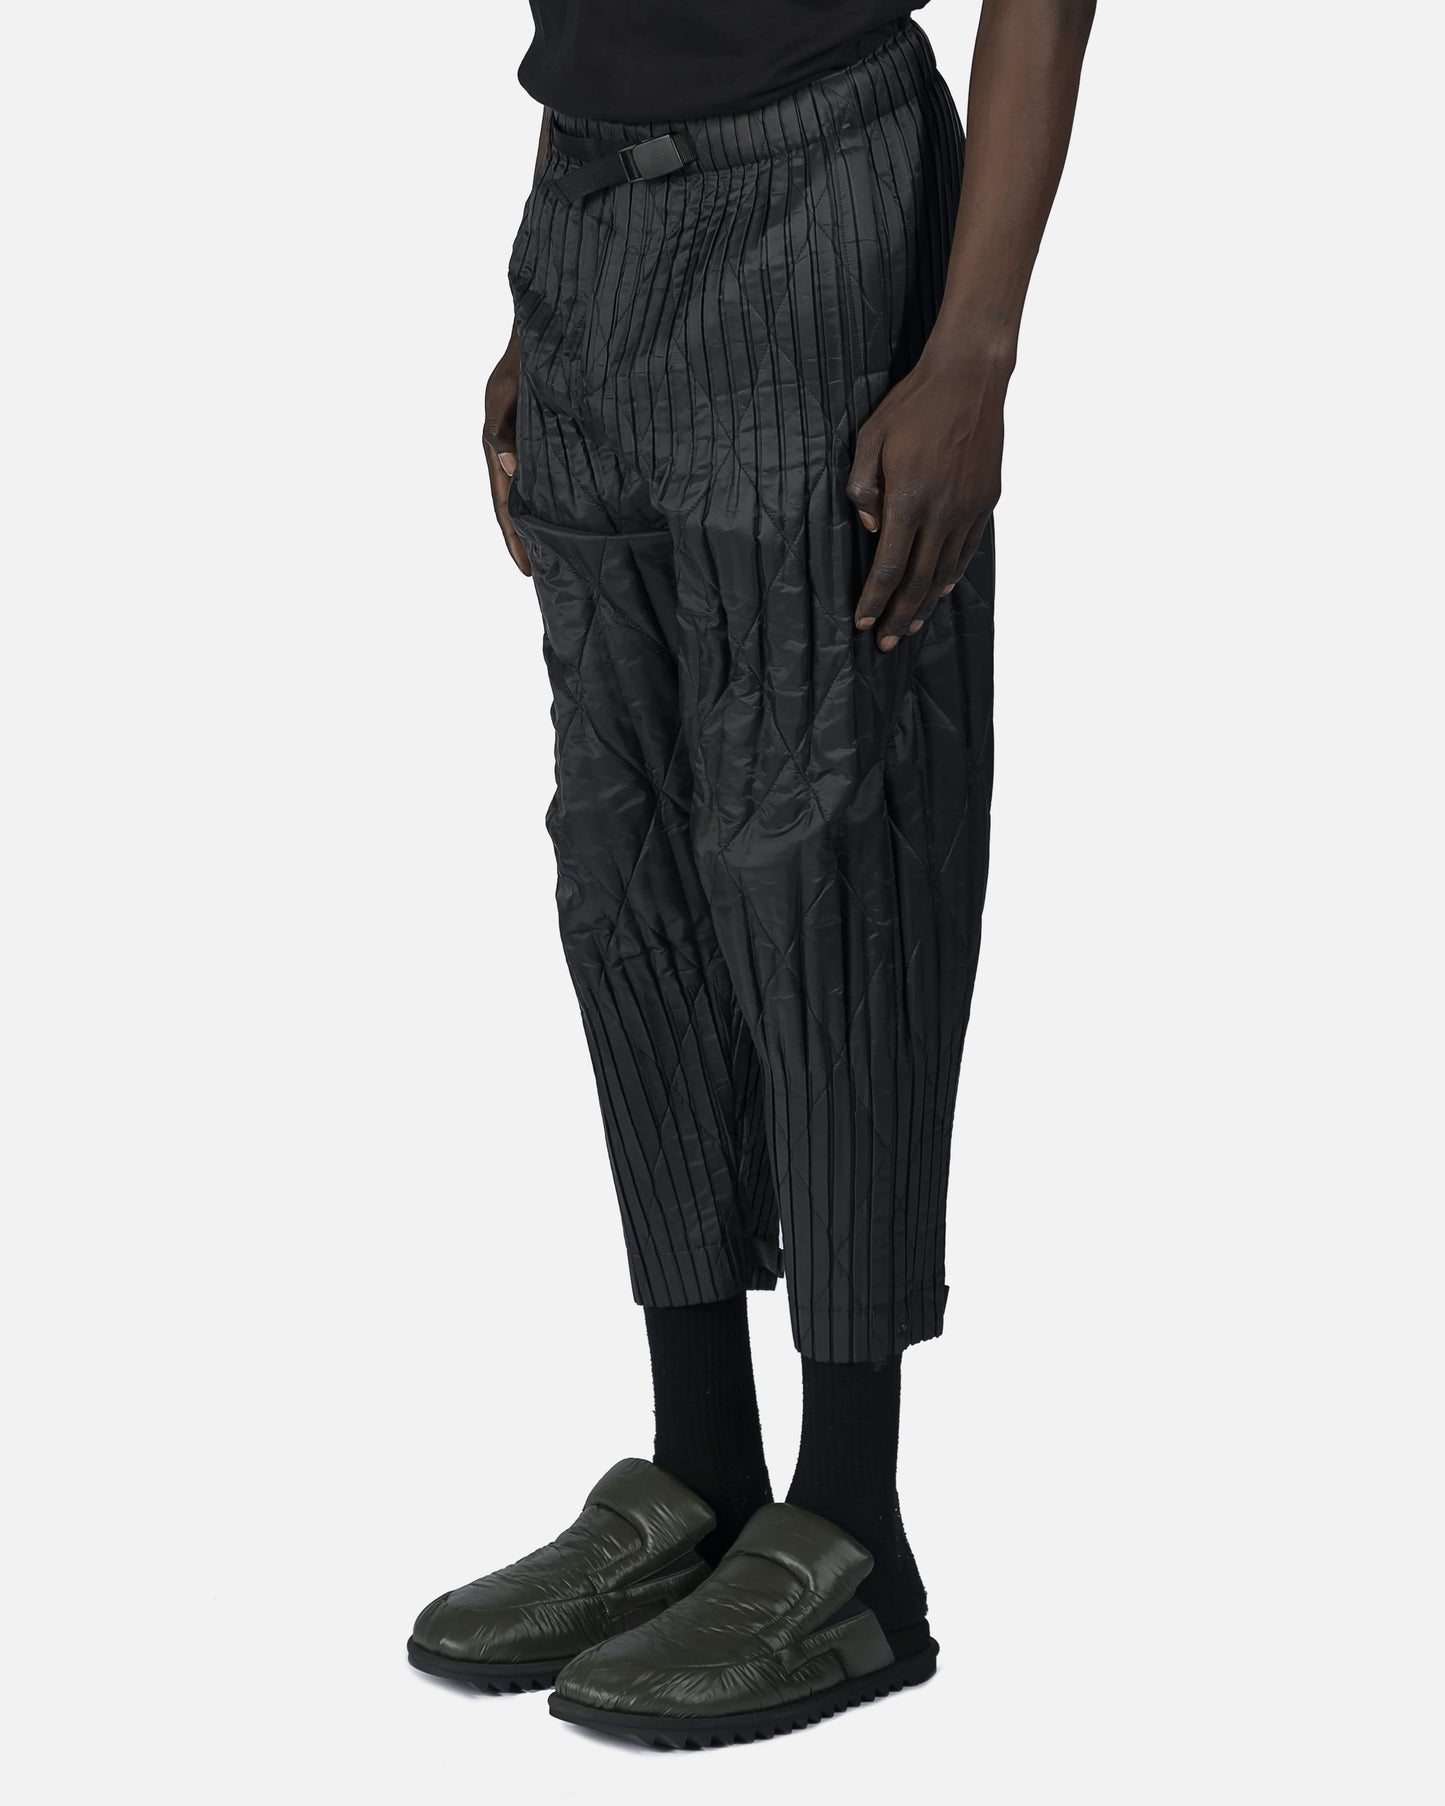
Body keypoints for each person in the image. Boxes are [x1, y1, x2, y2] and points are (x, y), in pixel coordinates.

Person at [408, 0, 1095, 1749]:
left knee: (823, 867)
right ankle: (700, 1465)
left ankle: (851, 1527)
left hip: (819, 205)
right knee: (625, 870)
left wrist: (973, 351)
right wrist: (540, 304)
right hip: (586, 218)